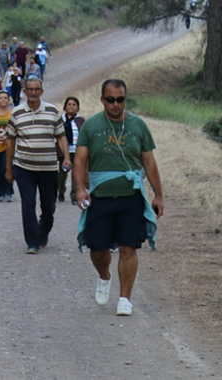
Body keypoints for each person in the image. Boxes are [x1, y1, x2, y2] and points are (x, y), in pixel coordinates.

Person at [74, 79, 163, 316]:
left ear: (125, 99)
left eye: (120, 99)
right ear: (102, 99)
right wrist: (80, 189)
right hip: (100, 197)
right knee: (97, 248)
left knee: (129, 247)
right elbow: (80, 160)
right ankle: (104, 276)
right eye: (110, 99)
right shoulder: (91, 126)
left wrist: (158, 195)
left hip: (130, 197)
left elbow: (149, 161)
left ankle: (125, 298)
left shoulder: (138, 125)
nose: (116, 104)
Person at [5, 76, 71, 254]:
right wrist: (9, 167)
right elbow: (10, 141)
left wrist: (66, 157)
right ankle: (32, 242)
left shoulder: (51, 111)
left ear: (41, 91)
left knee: (49, 206)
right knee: (28, 202)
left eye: (37, 89)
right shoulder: (16, 113)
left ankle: (43, 229)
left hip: (48, 167)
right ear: (24, 91)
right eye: (30, 89)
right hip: (24, 166)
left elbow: (61, 136)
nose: (33, 92)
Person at [57, 97, 85, 205]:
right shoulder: (60, 120)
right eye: (69, 104)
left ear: (78, 108)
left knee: (76, 174)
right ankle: (60, 191)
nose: (71, 106)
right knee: (62, 174)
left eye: (74, 105)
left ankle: (74, 195)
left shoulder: (80, 120)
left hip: (77, 151)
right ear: (65, 107)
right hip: (64, 152)